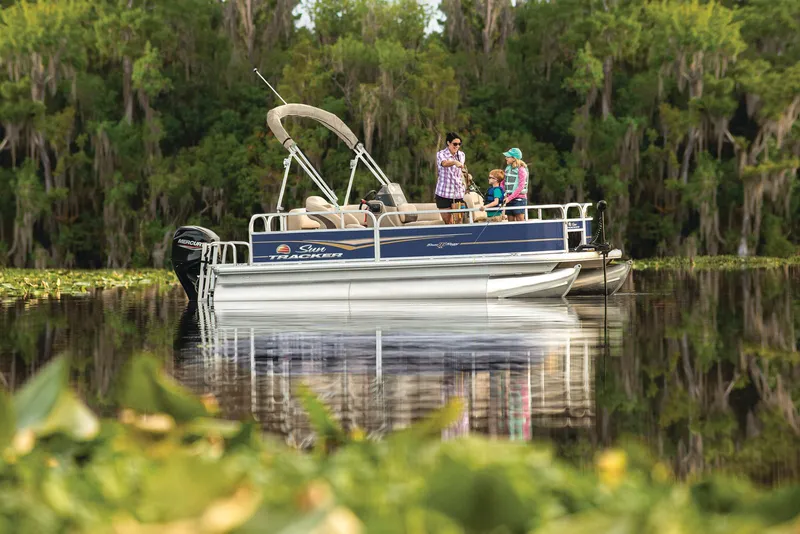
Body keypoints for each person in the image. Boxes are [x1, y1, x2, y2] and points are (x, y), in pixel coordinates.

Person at [435, 133, 466, 225]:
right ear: (448, 143)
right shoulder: (441, 154)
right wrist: (454, 162)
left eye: (459, 144)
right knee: (448, 222)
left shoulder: (461, 155)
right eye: (455, 144)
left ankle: (459, 239)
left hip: (458, 193)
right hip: (443, 193)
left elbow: (461, 171)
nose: (457, 146)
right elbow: (444, 163)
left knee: (459, 221)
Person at [502, 147, 528, 222]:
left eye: (508, 157)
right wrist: (504, 194)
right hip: (509, 198)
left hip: (519, 199)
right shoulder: (508, 168)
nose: (506, 158)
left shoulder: (521, 170)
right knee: (510, 221)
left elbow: (521, 187)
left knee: (519, 220)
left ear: (514, 158)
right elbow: (503, 183)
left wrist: (509, 198)